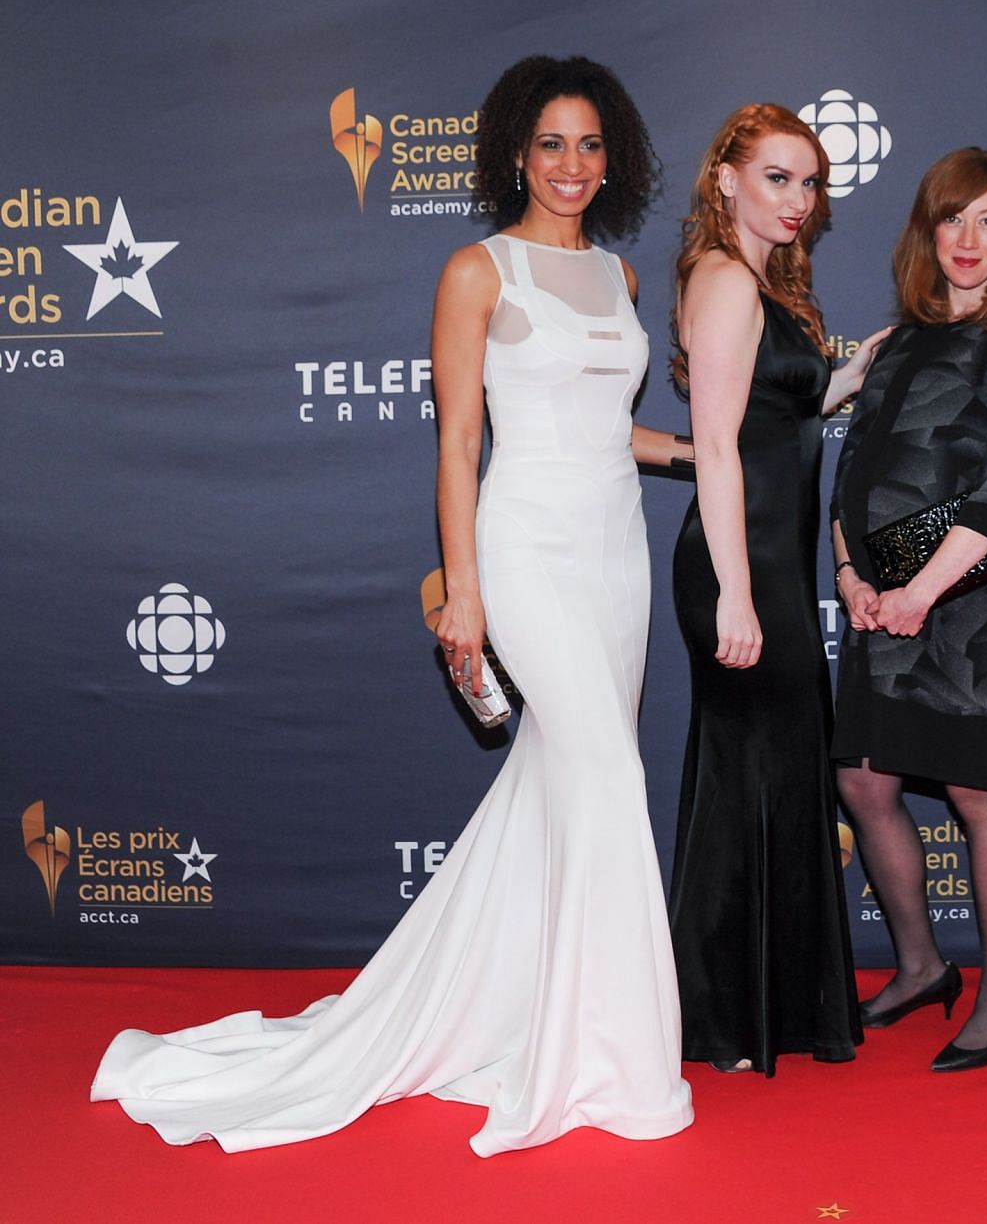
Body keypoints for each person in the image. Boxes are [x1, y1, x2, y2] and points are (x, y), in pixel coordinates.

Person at [92, 56, 694, 1154]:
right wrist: (463, 588)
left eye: (590, 145)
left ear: (616, 161)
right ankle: (612, 1062)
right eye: (552, 143)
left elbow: (613, 431)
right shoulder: (479, 271)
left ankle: (521, 1011)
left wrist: (705, 456)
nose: (571, 164)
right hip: (524, 549)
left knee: (562, 785)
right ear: (517, 150)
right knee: (607, 774)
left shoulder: (621, 281)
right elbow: (461, 440)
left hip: (615, 556)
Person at [830, 149, 987, 1073]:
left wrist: (922, 593)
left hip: (969, 601)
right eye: (952, 219)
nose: (968, 241)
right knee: (864, 785)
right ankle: (923, 964)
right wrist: (853, 580)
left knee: (977, 792)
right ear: (928, 230)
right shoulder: (900, 340)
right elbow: (853, 477)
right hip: (882, 595)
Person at [667, 104, 885, 1075]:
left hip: (768, 565)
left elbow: (777, 417)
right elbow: (715, 446)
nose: (798, 200)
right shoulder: (721, 281)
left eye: (809, 183)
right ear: (726, 181)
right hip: (739, 568)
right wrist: (737, 595)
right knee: (745, 782)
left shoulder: (764, 282)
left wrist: (855, 375)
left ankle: (764, 1008)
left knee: (776, 777)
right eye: (777, 177)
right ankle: (720, 1016)